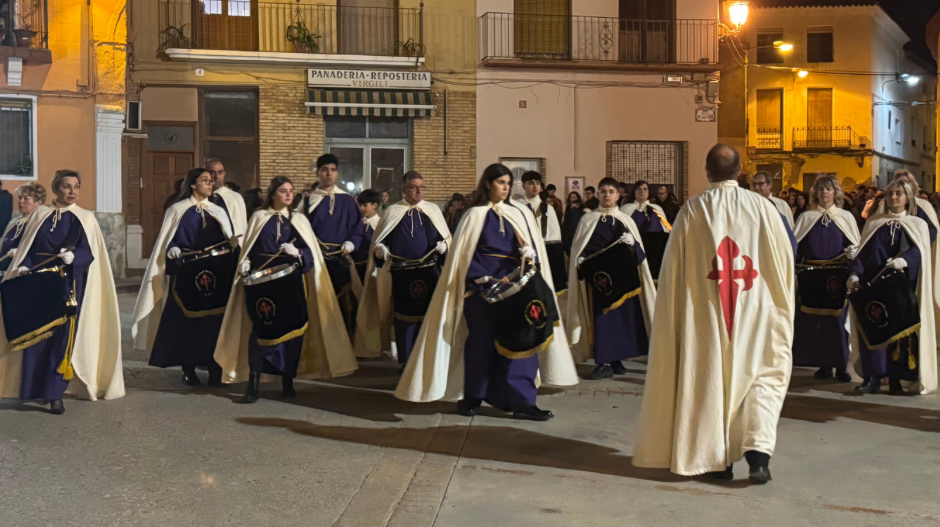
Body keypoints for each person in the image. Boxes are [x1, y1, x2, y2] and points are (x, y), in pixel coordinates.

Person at [633, 144, 795, 483]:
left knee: (710, 379)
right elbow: (785, 260)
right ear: (740, 172)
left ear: (706, 172)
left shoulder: (693, 211)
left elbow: (674, 270)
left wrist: (675, 317)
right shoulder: (765, 208)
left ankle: (716, 461)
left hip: (705, 313)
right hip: (756, 309)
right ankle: (758, 452)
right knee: (761, 376)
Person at [395, 163, 578, 421]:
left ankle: (523, 401)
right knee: (481, 345)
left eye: (508, 184)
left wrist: (528, 254)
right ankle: (473, 395)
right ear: (488, 184)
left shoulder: (520, 214)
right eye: (501, 183)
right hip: (481, 292)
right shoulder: (473, 215)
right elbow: (464, 255)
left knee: (521, 342)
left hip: (516, 289)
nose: (505, 188)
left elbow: (530, 247)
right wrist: (479, 278)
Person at [214, 177, 358, 403]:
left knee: (293, 333)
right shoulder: (259, 218)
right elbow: (250, 248)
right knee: (261, 330)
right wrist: (245, 262)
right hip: (263, 284)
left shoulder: (299, 220)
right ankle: (253, 383)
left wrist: (298, 252)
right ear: (273, 194)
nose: (289, 195)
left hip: (290, 282)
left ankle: (288, 379)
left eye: (291, 191)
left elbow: (310, 254)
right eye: (283, 191)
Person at [0, 170, 124, 414]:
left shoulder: (85, 218)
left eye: (76, 186)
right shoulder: (40, 214)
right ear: (56, 188)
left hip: (66, 285)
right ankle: (31, 389)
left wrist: (74, 256)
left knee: (60, 341)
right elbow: (28, 246)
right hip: (36, 285)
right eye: (67, 186)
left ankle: (54, 394)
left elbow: (90, 255)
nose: (72, 192)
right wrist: (24, 263)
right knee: (34, 338)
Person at [132, 168, 237, 386]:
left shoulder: (218, 210)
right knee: (187, 324)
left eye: (211, 180)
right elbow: (167, 240)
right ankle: (188, 368)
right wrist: (172, 250)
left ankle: (215, 366)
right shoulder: (178, 210)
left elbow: (229, 239)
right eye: (205, 180)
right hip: (188, 274)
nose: (210, 184)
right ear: (192, 184)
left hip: (217, 273)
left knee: (214, 323)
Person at [848, 179, 937, 396]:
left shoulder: (917, 224)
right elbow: (864, 252)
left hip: (900, 286)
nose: (894, 198)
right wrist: (854, 272)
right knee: (872, 330)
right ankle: (873, 377)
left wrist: (905, 260)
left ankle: (897, 379)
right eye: (890, 194)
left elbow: (920, 252)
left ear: (908, 197)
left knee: (899, 336)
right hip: (874, 286)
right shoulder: (875, 223)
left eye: (899, 194)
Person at [356, 171, 451, 367]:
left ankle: (425, 360)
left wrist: (445, 246)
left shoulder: (432, 210)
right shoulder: (393, 212)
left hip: (428, 273)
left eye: (421, 187)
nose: (418, 191)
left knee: (427, 317)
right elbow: (381, 241)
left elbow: (445, 238)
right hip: (402, 273)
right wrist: (381, 248)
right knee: (403, 318)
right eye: (414, 187)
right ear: (404, 190)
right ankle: (406, 361)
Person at [567, 177, 656, 379]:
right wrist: (581, 262)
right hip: (600, 282)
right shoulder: (587, 220)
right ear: (598, 194)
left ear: (618, 195)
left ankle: (615, 360)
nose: (607, 195)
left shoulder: (626, 220)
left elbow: (639, 257)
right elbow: (579, 249)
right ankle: (605, 361)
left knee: (623, 320)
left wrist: (632, 244)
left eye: (611, 191)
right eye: (603, 191)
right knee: (602, 320)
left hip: (623, 282)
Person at [791, 175, 860, 382]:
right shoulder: (806, 218)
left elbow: (856, 245)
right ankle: (824, 365)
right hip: (812, 277)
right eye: (821, 189)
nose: (824, 193)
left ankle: (841, 366)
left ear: (836, 193)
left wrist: (852, 256)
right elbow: (795, 247)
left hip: (836, 278)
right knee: (817, 323)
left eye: (829, 189)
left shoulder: (845, 217)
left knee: (837, 322)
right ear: (815, 193)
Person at [300, 153, 366, 336]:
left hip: (339, 258)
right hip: (316, 261)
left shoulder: (347, 200)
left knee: (343, 305)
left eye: (333, 170)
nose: (328, 174)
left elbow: (357, 227)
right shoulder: (308, 201)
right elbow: (298, 228)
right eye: (324, 170)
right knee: (316, 304)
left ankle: (342, 350)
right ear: (318, 173)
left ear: (337, 174)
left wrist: (352, 243)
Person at [517, 171, 566, 292]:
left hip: (543, 253)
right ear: (523, 185)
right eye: (531, 183)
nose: (535, 186)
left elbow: (554, 235)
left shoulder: (547, 208)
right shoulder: (516, 206)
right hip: (522, 253)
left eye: (537, 183)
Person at [1, 182, 45, 274]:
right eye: (20, 198)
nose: (21, 201)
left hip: (24, 270)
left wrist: (20, 253)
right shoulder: (14, 222)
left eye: (26, 199)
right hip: (5, 269)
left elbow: (40, 248)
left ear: (38, 203)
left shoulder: (41, 223)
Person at [206, 158, 248, 240]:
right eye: (212, 172)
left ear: (224, 174)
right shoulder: (200, 197)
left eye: (220, 172)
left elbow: (242, 225)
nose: (217, 177)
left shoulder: (235, 197)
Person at [354, 189, 382, 283]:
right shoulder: (358, 223)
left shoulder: (380, 224)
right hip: (356, 267)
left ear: (375, 205)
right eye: (360, 205)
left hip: (372, 268)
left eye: (365, 205)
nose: (361, 208)